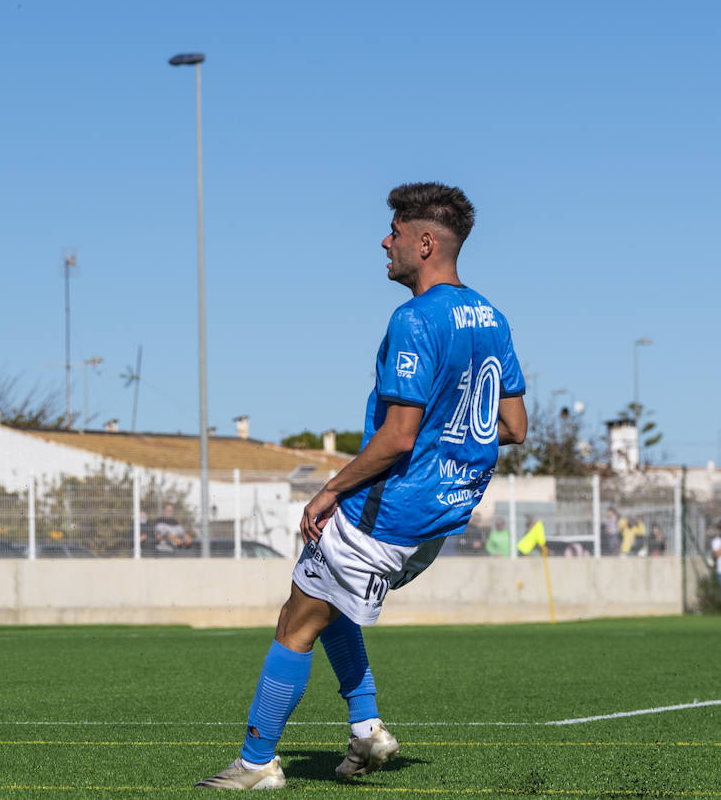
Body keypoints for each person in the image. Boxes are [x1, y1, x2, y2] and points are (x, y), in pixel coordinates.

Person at [196, 183, 527, 789]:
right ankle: (367, 728)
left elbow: (399, 436)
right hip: (439, 518)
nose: (386, 240)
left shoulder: (413, 319)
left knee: (296, 622)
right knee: (329, 602)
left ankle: (256, 763)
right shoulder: (492, 316)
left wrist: (328, 490)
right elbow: (513, 427)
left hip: (387, 513)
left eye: (396, 232)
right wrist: (450, 445)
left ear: (425, 243)